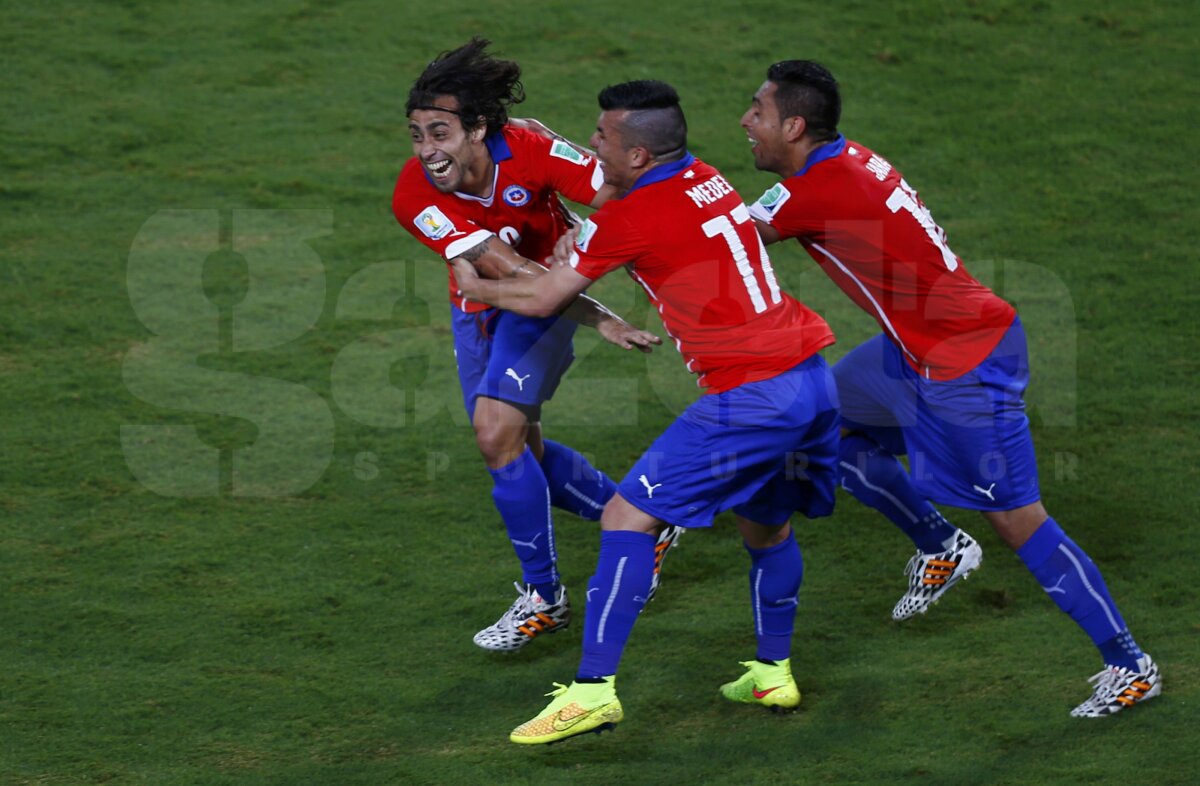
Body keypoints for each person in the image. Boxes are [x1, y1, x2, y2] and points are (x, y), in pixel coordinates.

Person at [739, 59, 1160, 717]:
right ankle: (940, 545)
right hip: (918, 350)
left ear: (794, 126)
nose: (746, 120)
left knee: (1018, 519)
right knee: (823, 424)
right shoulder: (835, 164)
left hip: (968, 363)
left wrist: (621, 207)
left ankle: (1130, 665)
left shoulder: (818, 189)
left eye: (758, 111)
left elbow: (716, 241)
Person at [452, 80, 841, 744]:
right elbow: (627, 214)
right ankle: (772, 672)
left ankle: (591, 693)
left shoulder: (628, 219)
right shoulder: (706, 178)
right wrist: (586, 217)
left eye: (601, 137)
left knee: (626, 517)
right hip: (811, 382)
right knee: (765, 528)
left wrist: (474, 284)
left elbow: (544, 297)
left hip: (751, 397)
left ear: (636, 155)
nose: (591, 144)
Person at [392, 39, 683, 653]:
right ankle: (644, 523)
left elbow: (618, 184)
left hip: (544, 307)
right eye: (417, 135)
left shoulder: (530, 148)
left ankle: (544, 598)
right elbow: (502, 266)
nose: (427, 151)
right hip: (483, 306)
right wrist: (599, 316)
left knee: (495, 434)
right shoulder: (413, 196)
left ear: (478, 128)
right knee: (517, 448)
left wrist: (588, 230)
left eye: (440, 133)